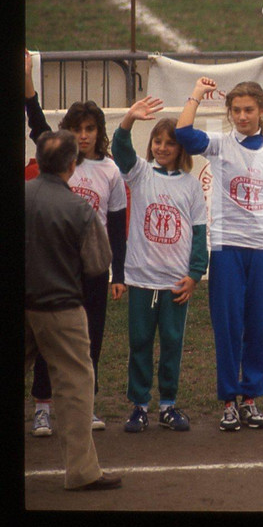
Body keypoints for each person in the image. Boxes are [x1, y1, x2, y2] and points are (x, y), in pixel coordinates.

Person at [175, 77, 263, 431]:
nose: (242, 116)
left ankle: (250, 398)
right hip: (226, 248)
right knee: (228, 326)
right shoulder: (219, 144)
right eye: (236, 110)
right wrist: (197, 94)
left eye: (249, 110)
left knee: (258, 327)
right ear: (229, 112)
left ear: (262, 110)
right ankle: (229, 401)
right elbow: (183, 134)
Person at [23, 50, 127, 435]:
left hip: (93, 267)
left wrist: (119, 274)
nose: (83, 136)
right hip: (55, 263)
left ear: (99, 132)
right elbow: (36, 120)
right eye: (77, 129)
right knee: (47, 335)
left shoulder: (111, 171)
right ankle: (43, 406)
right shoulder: (58, 159)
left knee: (90, 338)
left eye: (90, 129)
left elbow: (117, 225)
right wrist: (27, 77)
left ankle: (86, 406)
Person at [25, 130, 121, 490]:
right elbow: (98, 263)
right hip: (61, 308)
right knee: (76, 387)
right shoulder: (79, 208)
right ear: (71, 164)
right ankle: (81, 471)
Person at [112, 97, 208, 432]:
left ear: (182, 149)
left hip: (175, 283)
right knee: (139, 342)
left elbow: (199, 233)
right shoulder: (140, 173)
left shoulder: (191, 185)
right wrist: (128, 119)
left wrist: (194, 274)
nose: (163, 148)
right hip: (142, 278)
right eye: (157, 141)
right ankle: (139, 405)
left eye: (170, 143)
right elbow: (120, 149)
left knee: (171, 342)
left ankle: (168, 404)